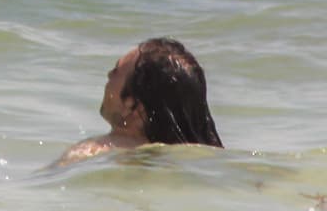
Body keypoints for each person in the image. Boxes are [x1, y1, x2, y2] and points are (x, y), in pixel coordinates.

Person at [58, 37, 222, 165]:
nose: (108, 75)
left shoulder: (93, 152)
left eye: (115, 71)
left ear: (131, 104)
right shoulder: (193, 159)